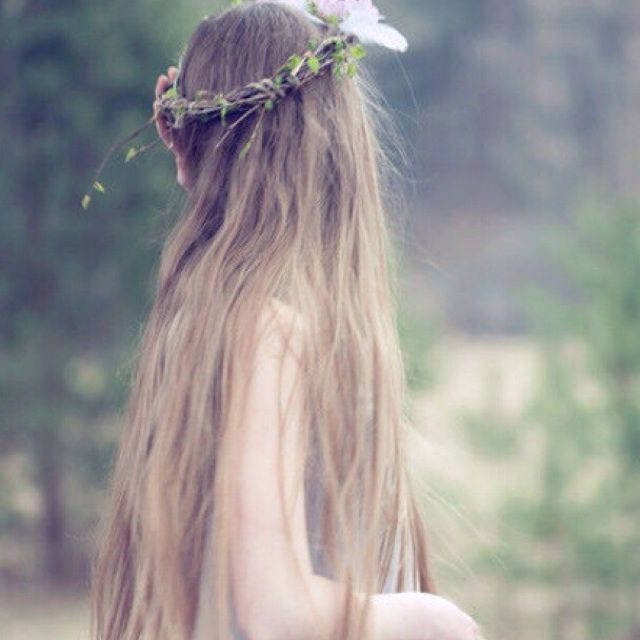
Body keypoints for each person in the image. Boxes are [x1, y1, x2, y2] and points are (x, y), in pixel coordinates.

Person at [89, 2, 482, 639]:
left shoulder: (199, 323)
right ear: (332, 143)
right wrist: (438, 622)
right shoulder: (267, 336)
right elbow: (276, 613)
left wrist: (200, 163)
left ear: (186, 149)